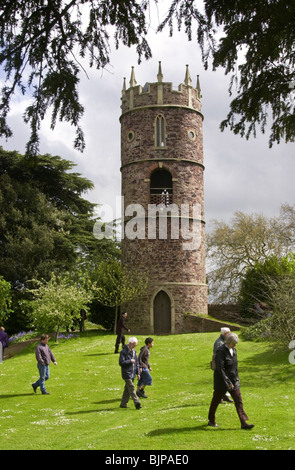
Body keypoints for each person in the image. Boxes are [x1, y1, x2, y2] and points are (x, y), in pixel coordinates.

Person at [208, 332, 254, 430]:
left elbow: (234, 367)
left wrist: (237, 379)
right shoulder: (221, 351)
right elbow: (220, 369)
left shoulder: (234, 350)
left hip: (234, 380)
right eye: (233, 343)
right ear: (228, 342)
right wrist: (228, 382)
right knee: (216, 401)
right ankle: (211, 420)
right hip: (221, 381)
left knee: (238, 401)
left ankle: (243, 423)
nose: (235, 345)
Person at [119, 337, 142, 409]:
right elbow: (121, 362)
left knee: (127, 389)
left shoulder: (134, 351)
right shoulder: (123, 352)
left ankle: (123, 404)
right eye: (135, 344)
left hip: (132, 373)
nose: (135, 346)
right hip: (126, 373)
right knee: (131, 388)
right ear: (130, 344)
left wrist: (138, 373)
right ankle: (137, 403)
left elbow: (137, 363)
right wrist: (130, 361)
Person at [212, 327, 233, 403]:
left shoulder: (224, 341)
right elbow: (218, 356)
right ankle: (218, 398)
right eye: (229, 333)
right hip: (220, 365)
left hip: (225, 365)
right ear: (225, 334)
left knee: (225, 381)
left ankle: (225, 396)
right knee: (220, 382)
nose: (230, 334)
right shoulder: (219, 342)